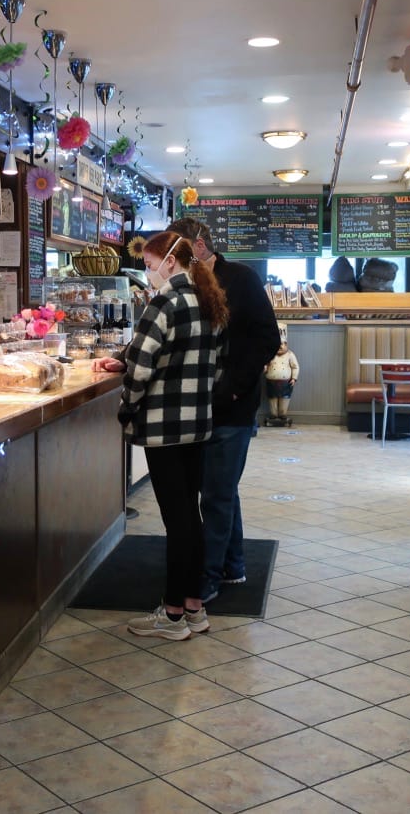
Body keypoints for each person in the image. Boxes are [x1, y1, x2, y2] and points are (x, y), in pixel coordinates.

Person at [93, 230, 228, 639]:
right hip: (197, 424)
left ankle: (170, 616)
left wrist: (127, 406)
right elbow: (210, 364)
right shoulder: (208, 299)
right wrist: (125, 360)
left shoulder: (165, 301)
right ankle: (194, 607)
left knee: (177, 521)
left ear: (170, 261)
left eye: (150, 266)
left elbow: (142, 366)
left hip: (164, 427)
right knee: (191, 515)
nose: (148, 274)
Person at [168, 217, 280, 603]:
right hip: (197, 406)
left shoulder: (241, 279)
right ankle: (232, 565)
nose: (172, 261)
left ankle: (208, 579)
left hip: (230, 407)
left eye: (177, 252)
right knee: (221, 488)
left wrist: (231, 389)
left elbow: (267, 337)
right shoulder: (185, 284)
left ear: (199, 247)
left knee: (214, 494)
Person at [264, 323, 299, 426]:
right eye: (278, 343)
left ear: (286, 344)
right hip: (271, 382)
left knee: (285, 398)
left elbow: (295, 367)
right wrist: (265, 368)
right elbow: (265, 363)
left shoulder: (290, 355)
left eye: (282, 343)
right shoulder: (270, 354)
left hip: (286, 383)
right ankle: (273, 415)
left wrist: (294, 378)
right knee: (272, 399)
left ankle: (283, 415)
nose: (280, 346)